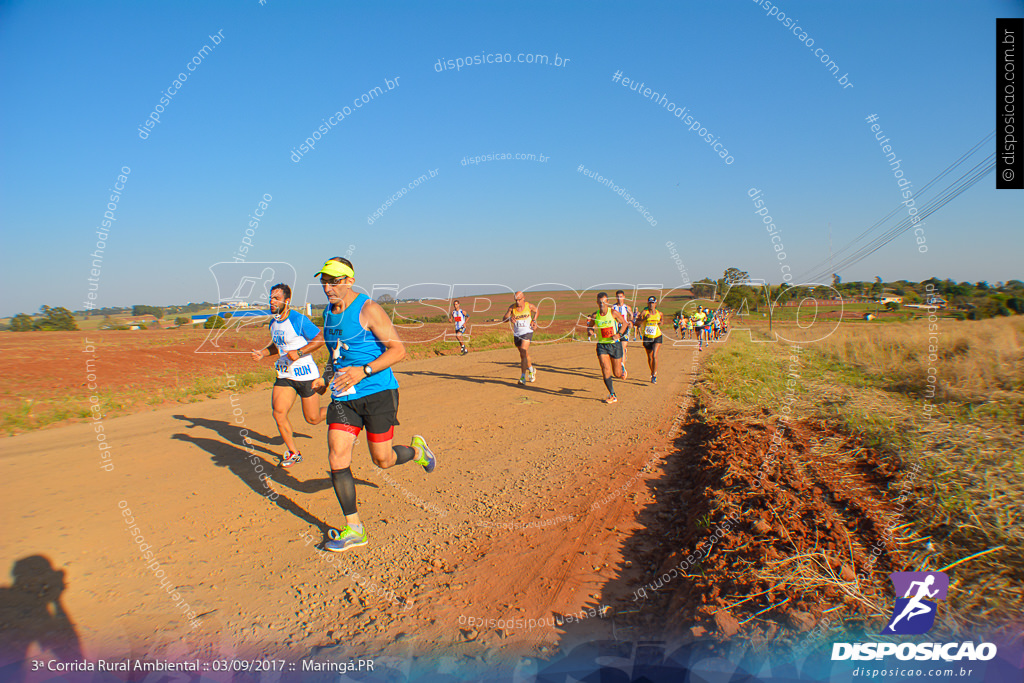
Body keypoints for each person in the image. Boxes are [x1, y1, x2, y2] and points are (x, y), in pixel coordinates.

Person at [316, 257, 436, 552]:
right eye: (324, 281)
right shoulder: (328, 314)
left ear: (348, 281)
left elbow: (399, 350)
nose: (327, 287)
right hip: (344, 397)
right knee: (337, 456)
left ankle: (417, 451)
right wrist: (325, 377)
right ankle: (354, 528)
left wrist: (364, 370)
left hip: (378, 392)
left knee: (382, 460)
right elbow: (337, 355)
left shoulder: (369, 309)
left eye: (333, 281)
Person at [251, 283, 327, 468]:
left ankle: (343, 409)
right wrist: (263, 353)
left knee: (313, 419)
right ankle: (294, 452)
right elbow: (278, 346)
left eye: (276, 298)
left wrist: (299, 352)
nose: (272, 301)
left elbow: (320, 339)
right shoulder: (273, 322)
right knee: (278, 413)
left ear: (287, 301)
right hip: (285, 375)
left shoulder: (298, 319)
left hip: (306, 375)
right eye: (270, 298)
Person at [587, 292, 629, 403]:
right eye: (600, 302)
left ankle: (622, 367)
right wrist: (590, 331)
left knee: (617, 374)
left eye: (604, 302)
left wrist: (619, 334)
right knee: (605, 368)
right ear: (597, 303)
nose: (602, 304)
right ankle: (612, 394)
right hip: (602, 345)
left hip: (615, 345)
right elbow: (590, 326)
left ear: (608, 302)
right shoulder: (595, 315)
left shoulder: (613, 313)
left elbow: (625, 323)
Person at [502, 291, 538, 384]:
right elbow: (504, 319)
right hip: (517, 334)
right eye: (516, 300)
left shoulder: (528, 306)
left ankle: (523, 377)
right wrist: (509, 319)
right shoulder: (512, 308)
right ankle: (531, 369)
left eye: (519, 299)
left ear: (524, 298)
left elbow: (537, 310)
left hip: (528, 332)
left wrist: (534, 320)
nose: (517, 302)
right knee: (524, 354)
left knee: (523, 350)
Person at [637, 296, 664, 383]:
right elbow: (637, 323)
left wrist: (661, 322)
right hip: (647, 337)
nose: (651, 305)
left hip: (657, 336)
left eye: (653, 303)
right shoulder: (644, 312)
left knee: (654, 355)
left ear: (656, 304)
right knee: (649, 357)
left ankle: (654, 375)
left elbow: (662, 321)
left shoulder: (659, 313)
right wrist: (644, 318)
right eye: (650, 303)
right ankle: (652, 371)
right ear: (647, 304)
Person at [611, 290, 633, 377]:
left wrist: (631, 321)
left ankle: (622, 367)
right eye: (617, 297)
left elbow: (631, 315)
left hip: (625, 328)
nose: (619, 298)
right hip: (616, 329)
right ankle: (621, 360)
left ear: (624, 297)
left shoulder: (627, 307)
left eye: (621, 296)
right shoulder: (613, 307)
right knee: (617, 348)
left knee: (623, 347)